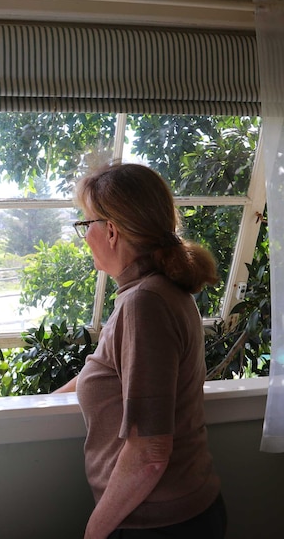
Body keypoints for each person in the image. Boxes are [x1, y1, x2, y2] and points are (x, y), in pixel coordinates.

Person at [56, 162, 227, 539]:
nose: (85, 237)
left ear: (112, 231)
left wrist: (95, 531)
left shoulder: (144, 303)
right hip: (173, 515)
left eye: (86, 224)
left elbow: (150, 454)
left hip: (158, 524)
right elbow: (106, 371)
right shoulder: (154, 292)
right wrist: (38, 400)